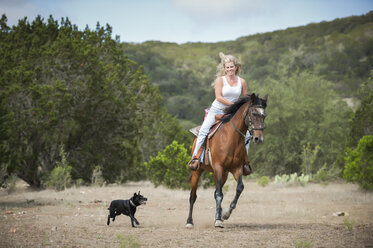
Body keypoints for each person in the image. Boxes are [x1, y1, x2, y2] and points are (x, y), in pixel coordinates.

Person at [188, 52, 252, 175]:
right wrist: (233, 105)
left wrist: (242, 108)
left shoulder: (242, 81)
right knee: (203, 131)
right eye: (227, 67)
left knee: (248, 135)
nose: (229, 69)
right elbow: (219, 97)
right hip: (217, 110)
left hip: (233, 113)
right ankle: (195, 158)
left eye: (231, 67)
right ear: (224, 69)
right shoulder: (220, 80)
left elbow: (244, 99)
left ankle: (244, 162)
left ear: (236, 67)